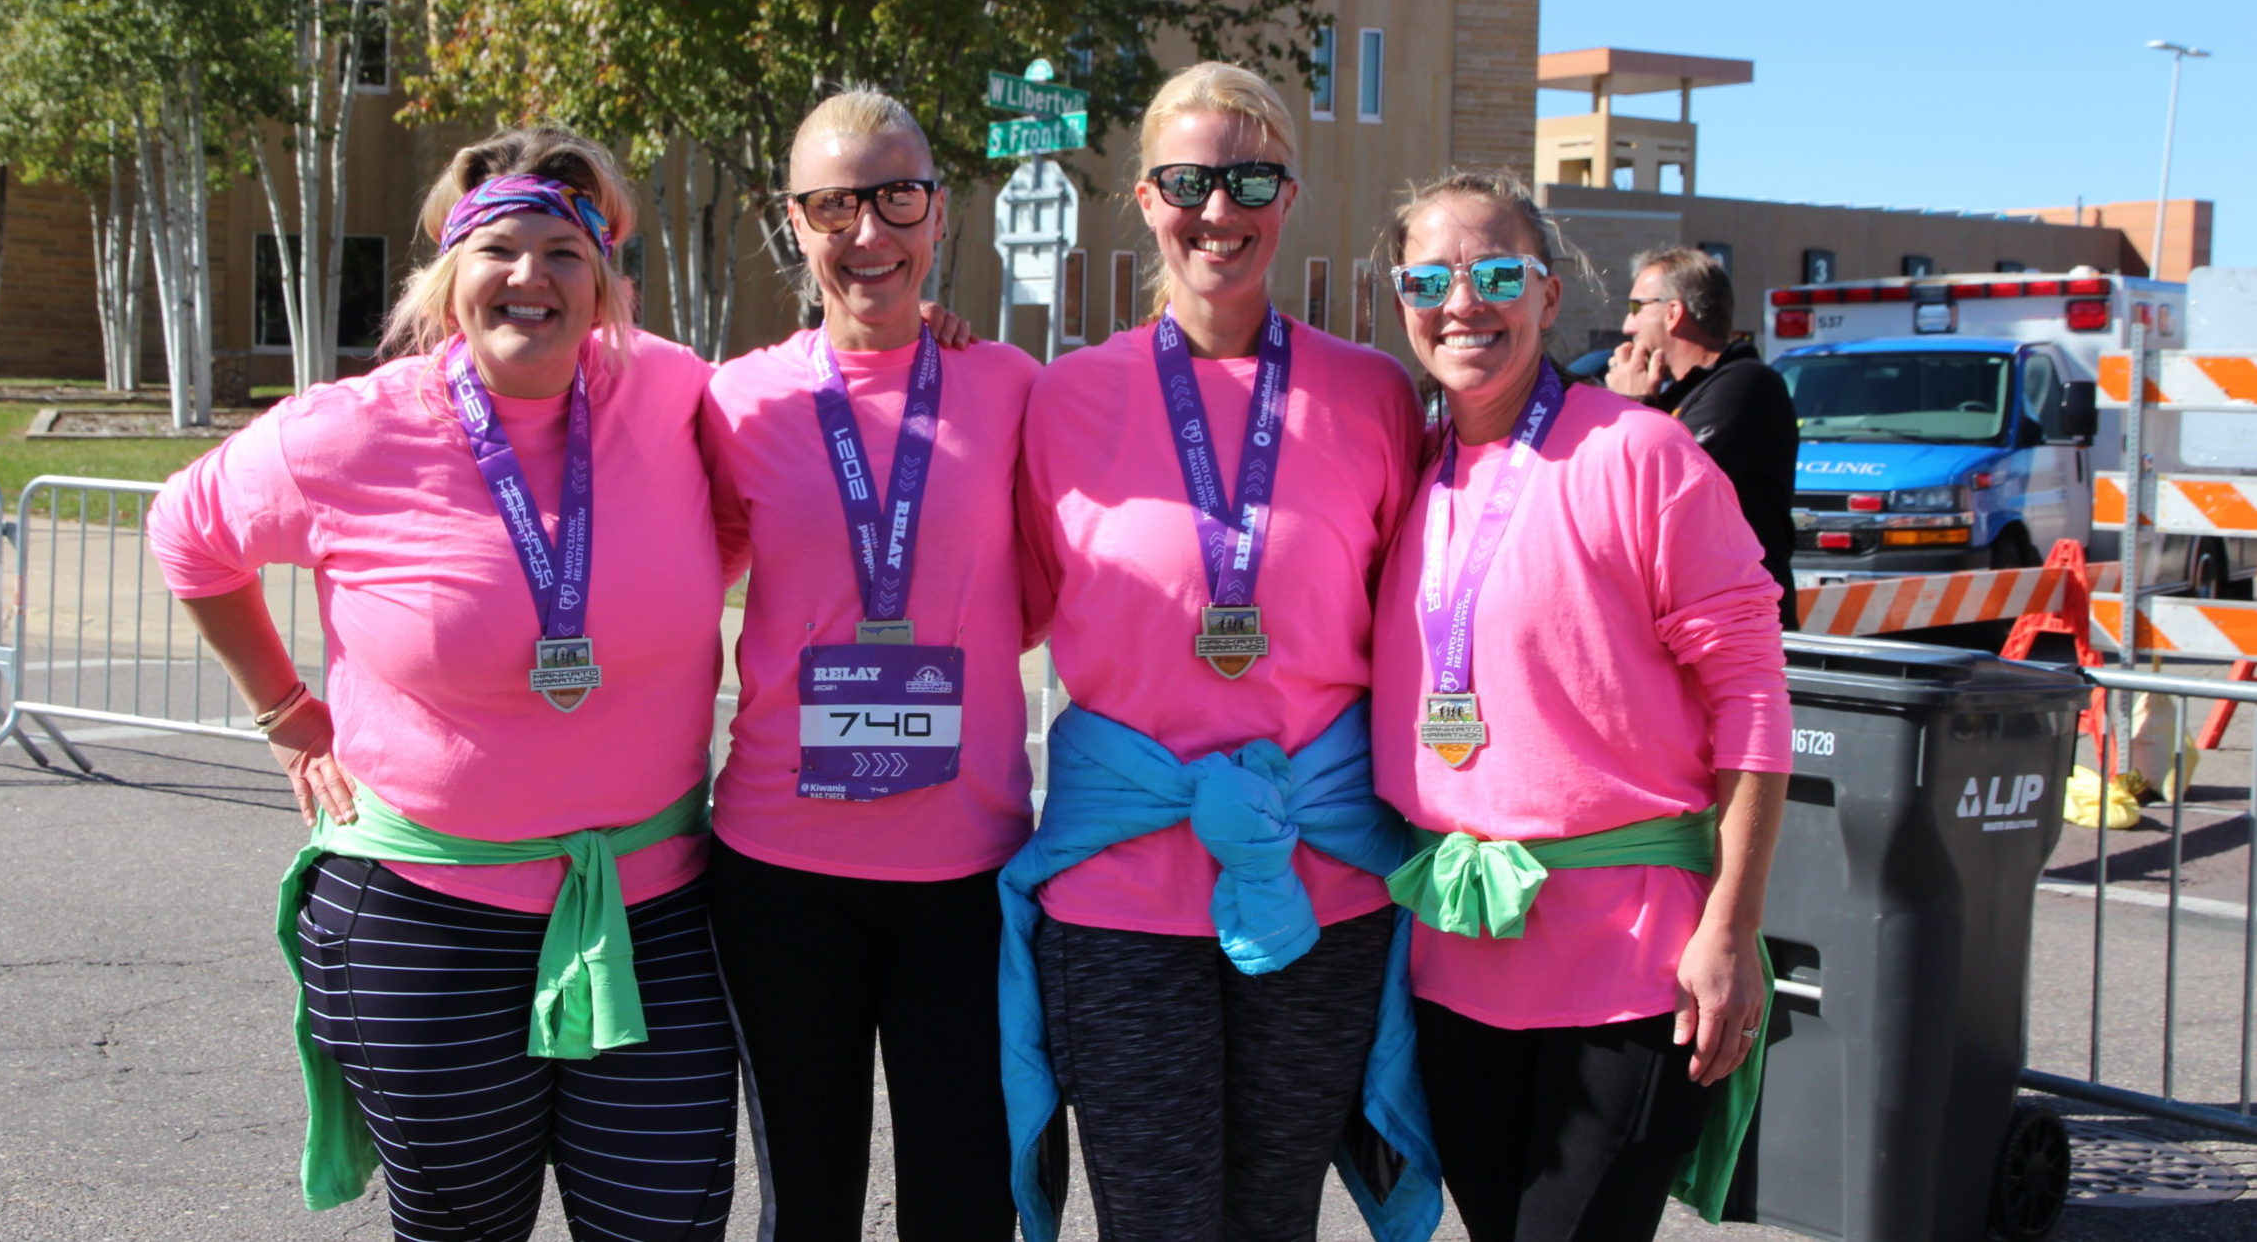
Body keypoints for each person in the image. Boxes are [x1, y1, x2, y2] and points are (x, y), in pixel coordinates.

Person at [147, 128, 736, 1242]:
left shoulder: (668, 391)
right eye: (498, 248)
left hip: (651, 910)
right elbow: (187, 532)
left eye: (564, 251)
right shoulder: (348, 430)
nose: (529, 276)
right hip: (426, 923)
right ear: (448, 276)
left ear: (604, 280)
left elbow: (775, 473)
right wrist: (285, 712)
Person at [1002, 60, 1440, 1242]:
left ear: (1286, 197)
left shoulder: (1371, 395)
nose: (1217, 210)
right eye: (1188, 180)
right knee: (1154, 1222)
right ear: (1143, 197)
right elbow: (1004, 607)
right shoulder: (1063, 398)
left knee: (1273, 1217)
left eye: (1249, 178)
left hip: (1320, 883)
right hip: (1121, 898)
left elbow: (1423, 623)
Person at [1372, 170, 1791, 1242]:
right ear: (1401, 301)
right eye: (1429, 277)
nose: (1462, 300)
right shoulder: (1412, 467)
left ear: (1548, 296)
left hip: (1630, 963)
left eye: (1494, 272)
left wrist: (1732, 928)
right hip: (1457, 953)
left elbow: (1750, 691)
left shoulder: (1637, 452)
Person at [699, 89, 1036, 1241]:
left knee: (962, 1203)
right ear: (791, 222)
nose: (866, 234)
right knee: (806, 1203)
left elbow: (1039, 590)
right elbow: (669, 577)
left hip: (962, 873)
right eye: (833, 204)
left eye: (895, 196)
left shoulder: (1009, 388)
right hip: (780, 867)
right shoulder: (736, 402)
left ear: (938, 212)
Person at [1604, 245, 1799, 624]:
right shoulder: (1677, 393)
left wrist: (1630, 401)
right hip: (1685, 619)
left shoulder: (1747, 384)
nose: (1627, 327)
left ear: (1673, 313)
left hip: (1737, 627)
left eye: (1636, 307)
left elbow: (1658, 488)